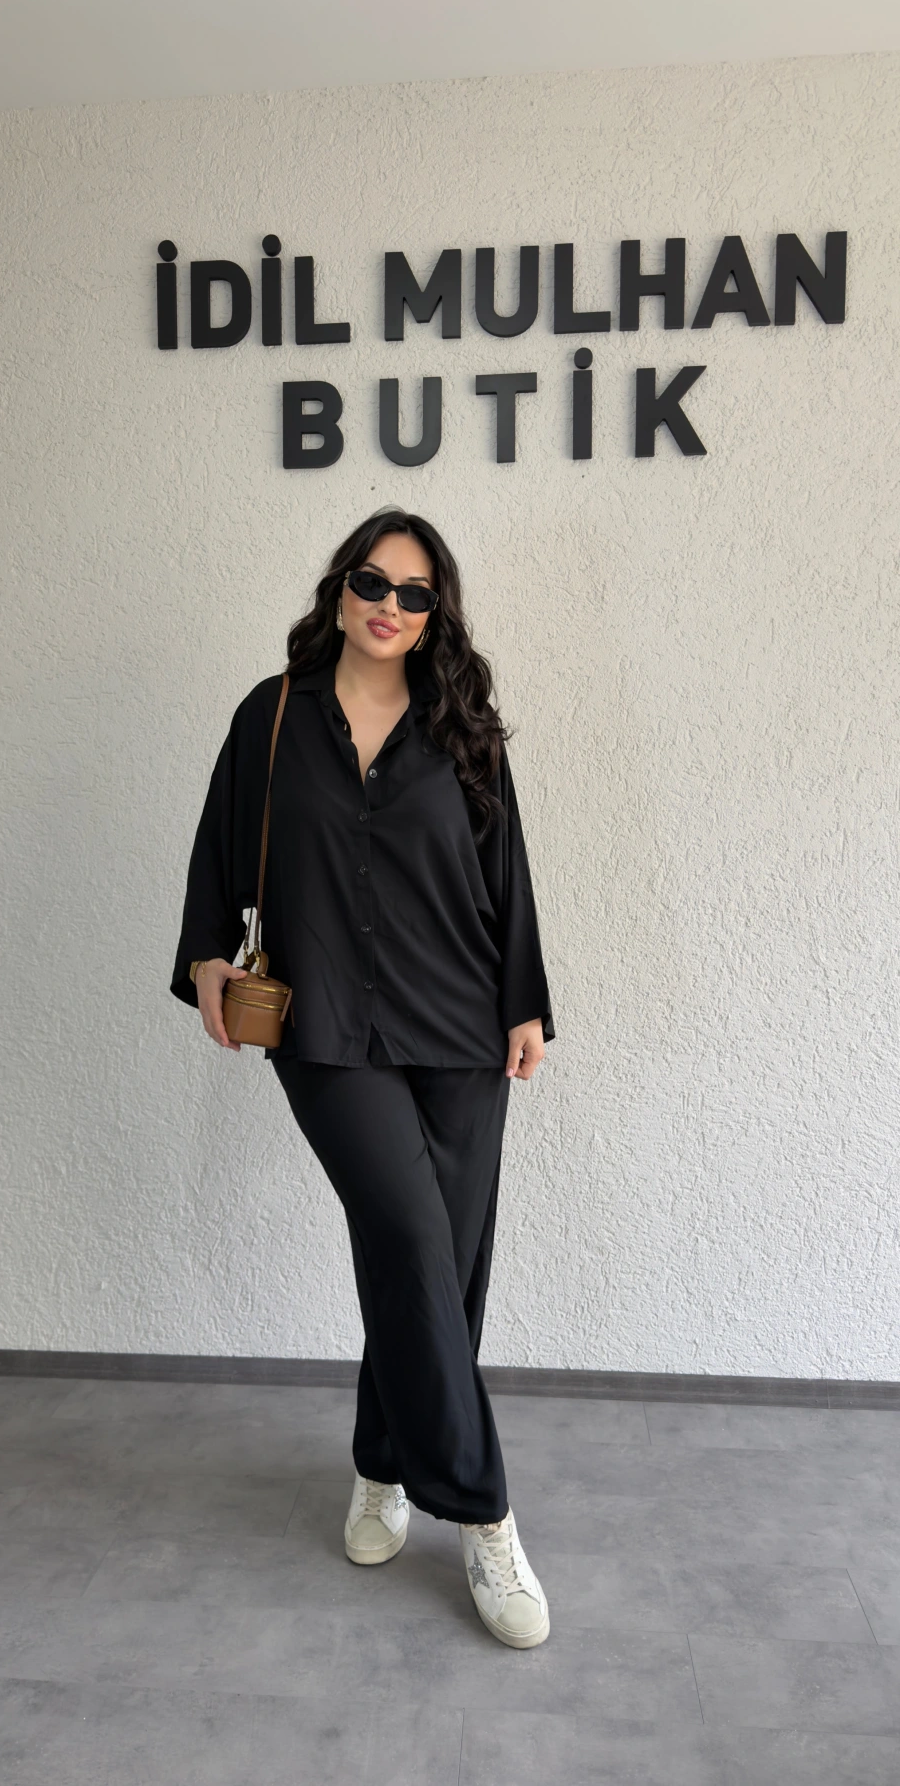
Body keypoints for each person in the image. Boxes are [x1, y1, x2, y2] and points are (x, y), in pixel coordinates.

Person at [170, 507, 555, 1649]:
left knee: (445, 1265)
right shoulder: (272, 714)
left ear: (436, 614)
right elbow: (219, 842)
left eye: (416, 593)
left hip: (462, 1027)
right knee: (414, 1242)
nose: (392, 605)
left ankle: (382, 1464)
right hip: (329, 1029)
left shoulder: (460, 724)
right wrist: (204, 952)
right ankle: (484, 1514)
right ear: (340, 590)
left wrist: (524, 999)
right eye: (374, 582)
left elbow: (506, 867)